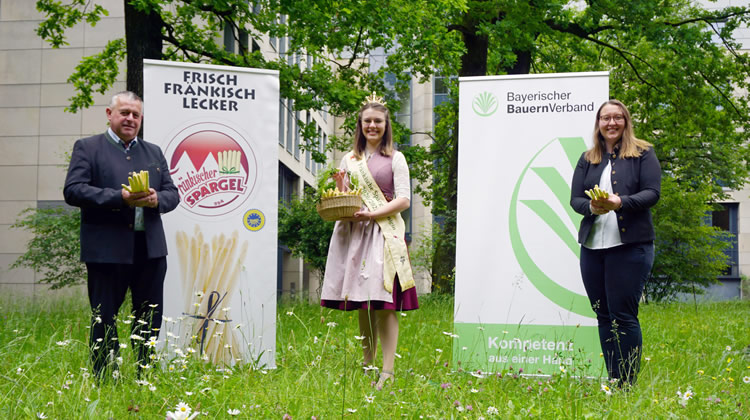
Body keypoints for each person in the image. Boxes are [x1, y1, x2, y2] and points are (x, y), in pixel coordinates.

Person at [64, 91, 180, 379]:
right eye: (124, 113)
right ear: (109, 114)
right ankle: (105, 378)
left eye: (136, 115)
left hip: (150, 251)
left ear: (141, 119)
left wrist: (156, 200)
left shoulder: (153, 152)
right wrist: (119, 197)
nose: (130, 119)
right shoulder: (87, 148)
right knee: (104, 318)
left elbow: (173, 194)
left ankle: (146, 376)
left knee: (150, 319)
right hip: (106, 251)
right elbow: (73, 190)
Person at [320, 94, 418, 390]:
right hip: (354, 236)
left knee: (385, 303)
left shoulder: (396, 158)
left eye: (378, 121)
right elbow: (347, 195)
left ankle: (387, 372)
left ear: (386, 125)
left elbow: (404, 199)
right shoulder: (349, 159)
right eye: (367, 121)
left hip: (383, 234)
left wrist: (373, 212)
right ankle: (367, 364)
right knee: (362, 302)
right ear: (360, 126)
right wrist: (340, 187)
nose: (372, 126)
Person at [570, 99, 661, 386]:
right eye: (605, 118)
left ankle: (627, 383)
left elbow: (652, 193)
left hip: (631, 247)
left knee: (623, 314)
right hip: (593, 247)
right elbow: (576, 199)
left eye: (617, 118)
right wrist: (592, 208)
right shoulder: (588, 158)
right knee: (603, 314)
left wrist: (619, 202)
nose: (611, 123)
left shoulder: (643, 153)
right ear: (598, 123)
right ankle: (614, 378)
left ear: (626, 121)